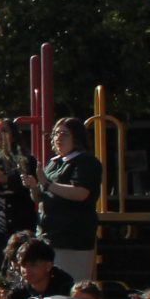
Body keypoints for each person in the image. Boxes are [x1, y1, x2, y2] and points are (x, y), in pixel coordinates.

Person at [32, 116, 102, 286]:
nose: (58, 138)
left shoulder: (86, 161)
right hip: (48, 236)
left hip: (71, 239)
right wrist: (34, 186)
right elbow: (39, 197)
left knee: (70, 287)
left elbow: (81, 193)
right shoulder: (53, 163)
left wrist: (47, 184)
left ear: (77, 137)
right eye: (56, 134)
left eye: (64, 134)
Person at [0, 118, 39, 247]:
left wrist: (7, 179)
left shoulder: (27, 160)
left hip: (21, 227)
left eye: (4, 130)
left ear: (13, 136)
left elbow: (31, 190)